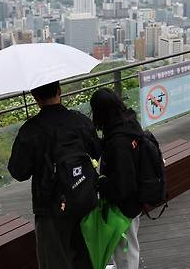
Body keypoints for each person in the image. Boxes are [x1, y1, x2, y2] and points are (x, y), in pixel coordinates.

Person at [8, 81, 100, 269]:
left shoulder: (31, 130)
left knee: (54, 262)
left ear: (34, 97)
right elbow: (96, 151)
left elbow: (19, 172)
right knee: (87, 259)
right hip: (86, 199)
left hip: (51, 209)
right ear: (60, 90)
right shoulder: (80, 120)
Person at [90, 88, 143, 269]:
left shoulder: (118, 141)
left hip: (125, 205)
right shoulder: (128, 125)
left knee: (126, 248)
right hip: (135, 198)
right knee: (127, 244)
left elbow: (123, 182)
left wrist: (101, 183)